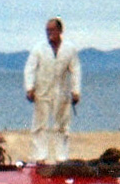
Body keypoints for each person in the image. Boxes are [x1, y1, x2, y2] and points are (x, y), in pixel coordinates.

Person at [23, 17, 81, 163]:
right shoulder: (39, 49)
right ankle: (40, 157)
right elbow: (29, 68)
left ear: (60, 30)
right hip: (42, 91)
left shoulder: (69, 49)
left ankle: (61, 158)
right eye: (47, 30)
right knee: (39, 125)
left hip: (62, 93)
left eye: (52, 30)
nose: (49, 33)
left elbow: (75, 70)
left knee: (62, 126)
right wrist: (29, 88)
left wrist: (76, 91)